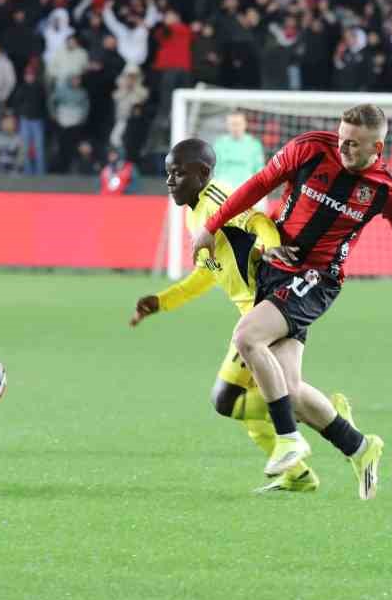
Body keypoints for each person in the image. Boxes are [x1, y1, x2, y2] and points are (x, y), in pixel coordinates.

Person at [191, 104, 392, 497]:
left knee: (247, 337)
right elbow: (259, 183)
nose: (343, 147)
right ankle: (360, 447)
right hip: (275, 270)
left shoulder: (386, 189)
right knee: (290, 388)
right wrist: (211, 227)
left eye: (354, 144)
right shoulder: (310, 149)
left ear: (377, 147)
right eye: (342, 137)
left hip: (318, 278)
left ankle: (288, 439)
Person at [131, 138, 363, 495]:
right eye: (168, 173)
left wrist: (271, 247)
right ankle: (297, 474)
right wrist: (162, 301)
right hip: (255, 311)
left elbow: (257, 220)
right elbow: (208, 273)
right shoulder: (194, 214)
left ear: (202, 173)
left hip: (268, 308)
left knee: (226, 399)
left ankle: (326, 412)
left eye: (177, 173)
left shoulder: (216, 199)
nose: (169, 181)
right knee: (247, 409)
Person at [212, 110, 266, 187]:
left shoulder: (254, 144)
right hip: (223, 186)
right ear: (227, 125)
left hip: (247, 186)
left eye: (238, 124)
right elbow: (214, 169)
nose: (236, 127)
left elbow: (259, 170)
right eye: (233, 124)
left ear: (245, 124)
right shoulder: (219, 144)